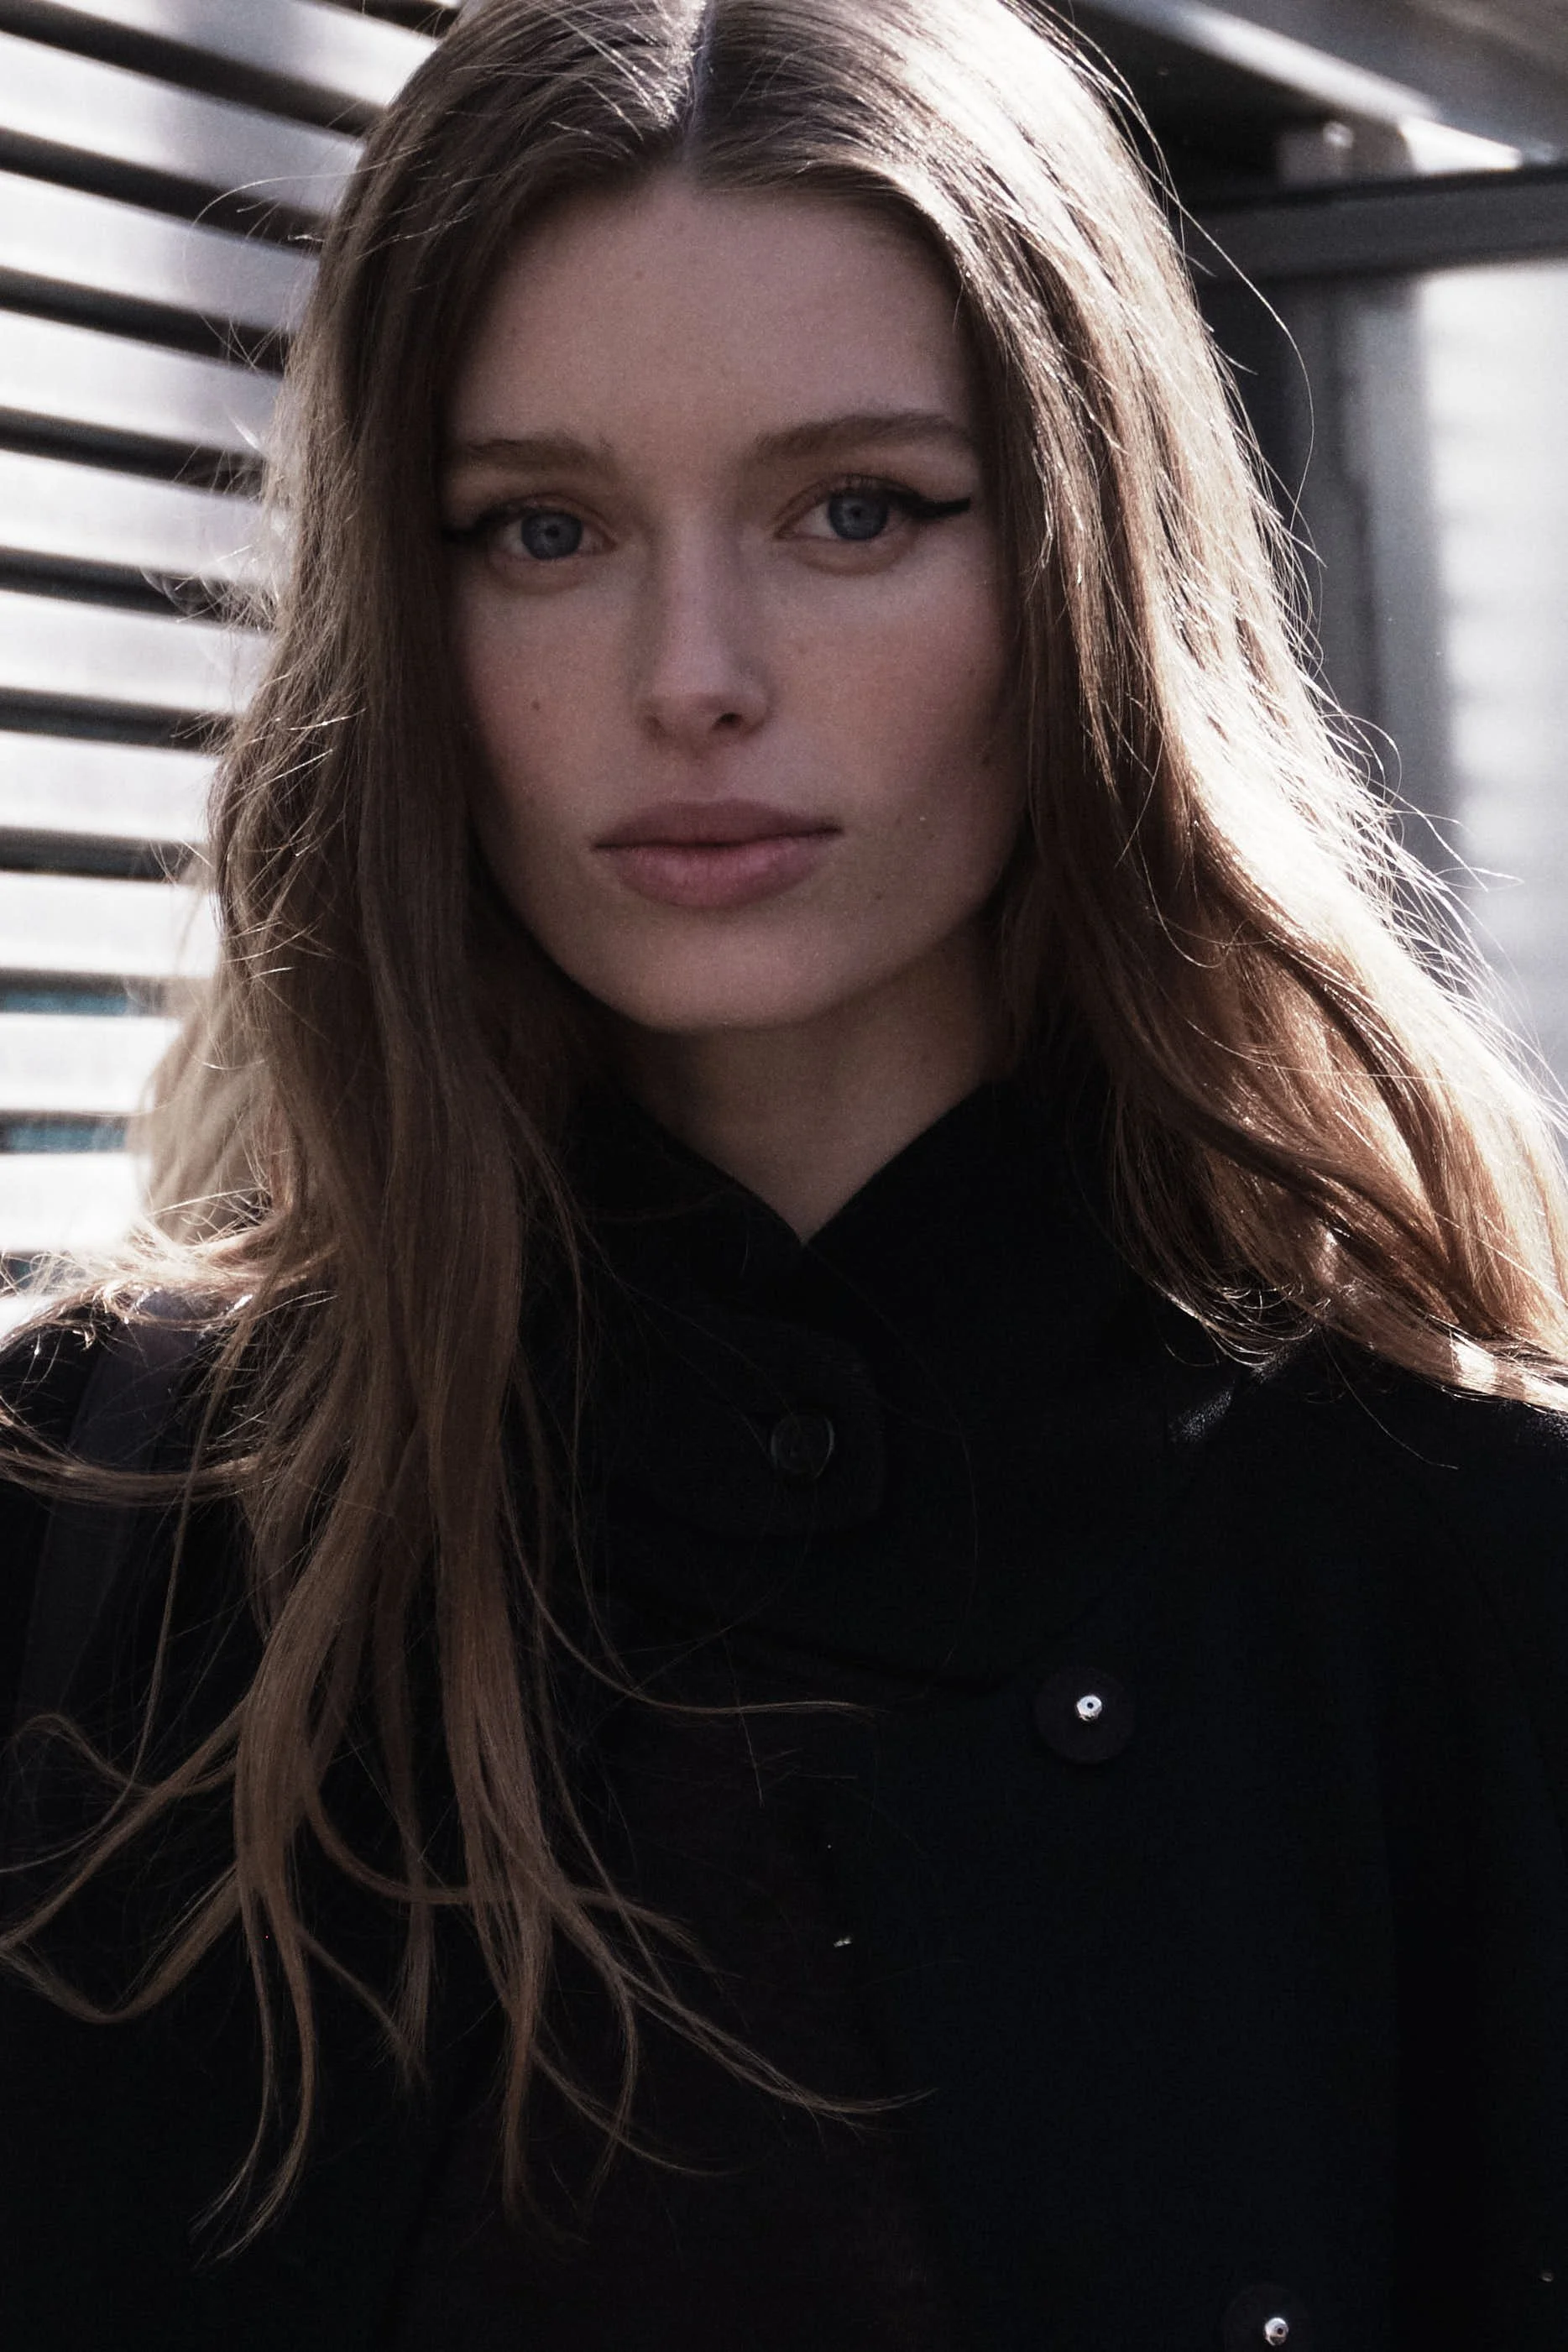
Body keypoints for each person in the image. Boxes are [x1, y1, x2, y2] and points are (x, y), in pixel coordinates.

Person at [3, 1, 1568, 2345]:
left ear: (1086, 565)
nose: (692, 673)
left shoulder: (1456, 1570)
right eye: (538, 528)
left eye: (855, 508)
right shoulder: (92, 1525)